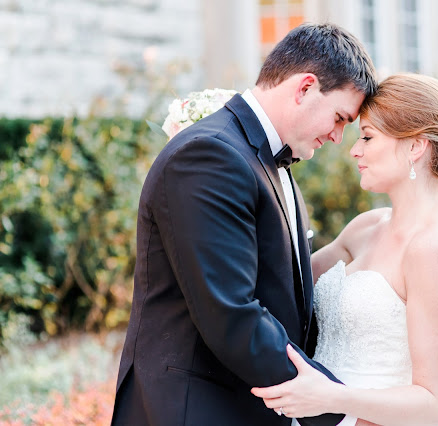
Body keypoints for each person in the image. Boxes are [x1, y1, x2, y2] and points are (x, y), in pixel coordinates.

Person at [252, 74, 438, 425]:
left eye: (367, 137)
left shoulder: (437, 250)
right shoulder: (365, 227)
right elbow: (285, 277)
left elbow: (430, 403)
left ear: (415, 146)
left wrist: (330, 397)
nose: (354, 150)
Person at [111, 23, 376, 426]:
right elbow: (231, 313)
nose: (339, 137)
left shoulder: (268, 160)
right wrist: (334, 411)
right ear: (305, 87)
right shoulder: (210, 156)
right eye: (340, 118)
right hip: (193, 409)